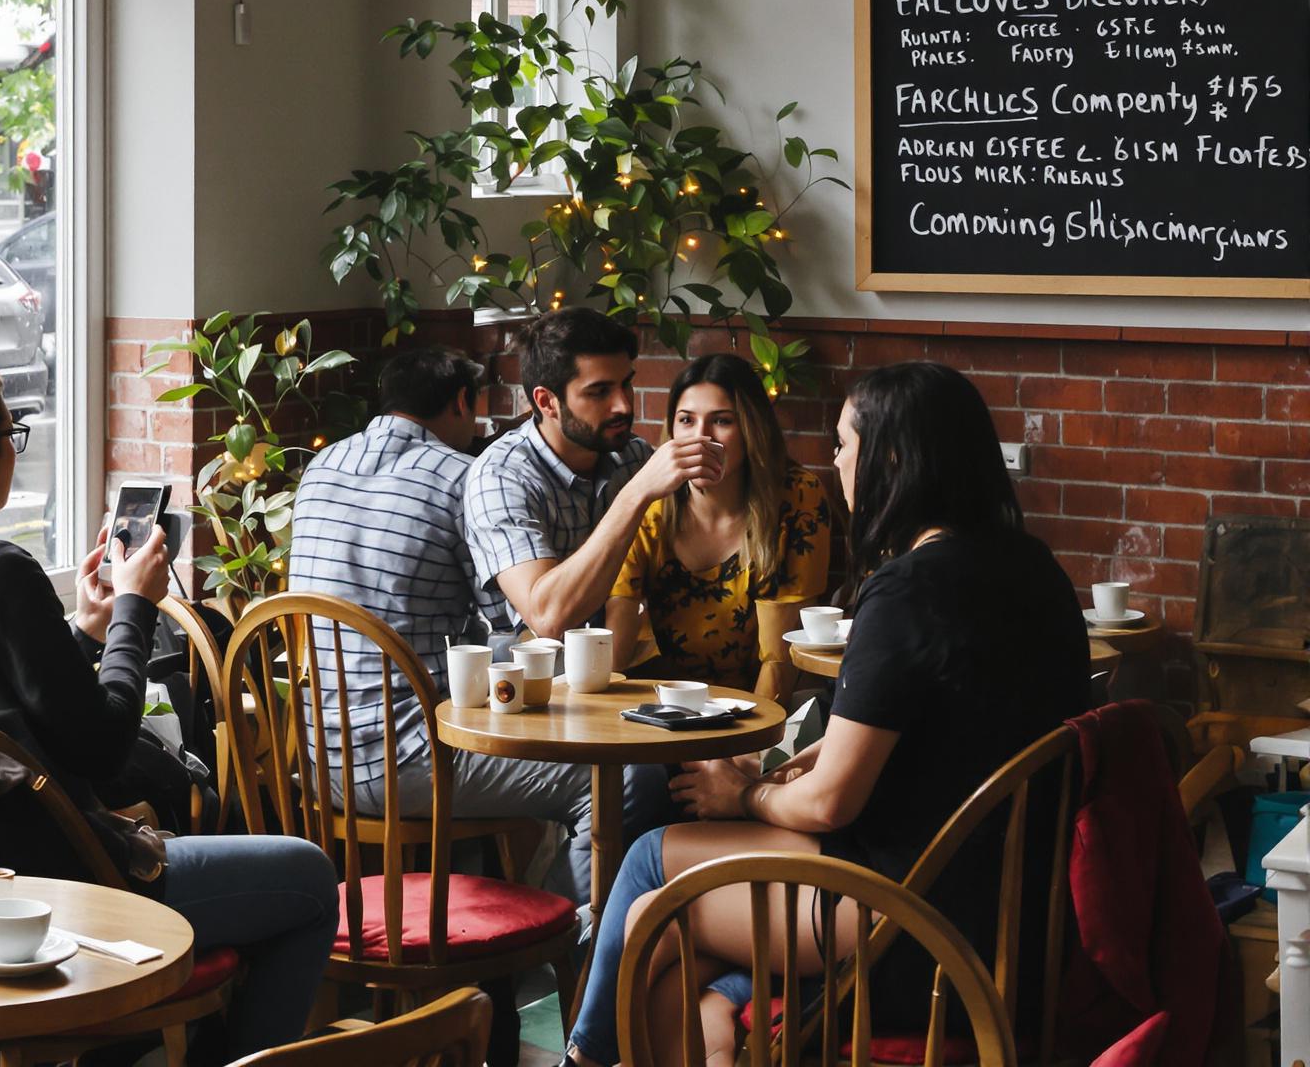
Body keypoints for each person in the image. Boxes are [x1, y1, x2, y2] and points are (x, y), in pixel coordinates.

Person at [562, 363, 1089, 1067]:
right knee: (676, 978)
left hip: (915, 926)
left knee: (651, 876)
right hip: (1018, 913)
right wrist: (807, 766)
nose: (835, 461)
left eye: (844, 444)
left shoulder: (906, 590)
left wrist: (744, 792)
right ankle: (710, 1033)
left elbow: (833, 804)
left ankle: (582, 1060)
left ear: (891, 459)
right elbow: (957, 732)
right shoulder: (1035, 568)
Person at [0, 358, 340, 1063]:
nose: (16, 446)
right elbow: (100, 750)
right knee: (311, 878)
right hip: (49, 886)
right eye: (14, 433)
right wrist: (135, 607)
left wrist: (84, 632)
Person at [458, 307, 721, 905]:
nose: (625, 405)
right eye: (600, 392)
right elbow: (547, 614)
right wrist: (635, 496)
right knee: (636, 785)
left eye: (627, 383)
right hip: (527, 707)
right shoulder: (502, 476)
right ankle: (586, 948)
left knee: (706, 768)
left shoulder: (626, 455)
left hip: (618, 689)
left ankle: (659, 952)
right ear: (547, 400)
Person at [287, 347, 498, 828]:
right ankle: (547, 906)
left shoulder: (320, 467)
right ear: (462, 402)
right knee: (598, 782)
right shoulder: (461, 478)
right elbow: (509, 619)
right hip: (411, 766)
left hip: (316, 760)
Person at [606, 352, 831, 690]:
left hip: (754, 708)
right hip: (660, 705)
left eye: (722, 421)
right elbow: (614, 655)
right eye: (686, 420)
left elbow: (779, 661)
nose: (701, 438)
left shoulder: (797, 497)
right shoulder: (651, 505)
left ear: (751, 428)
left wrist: (751, 741)